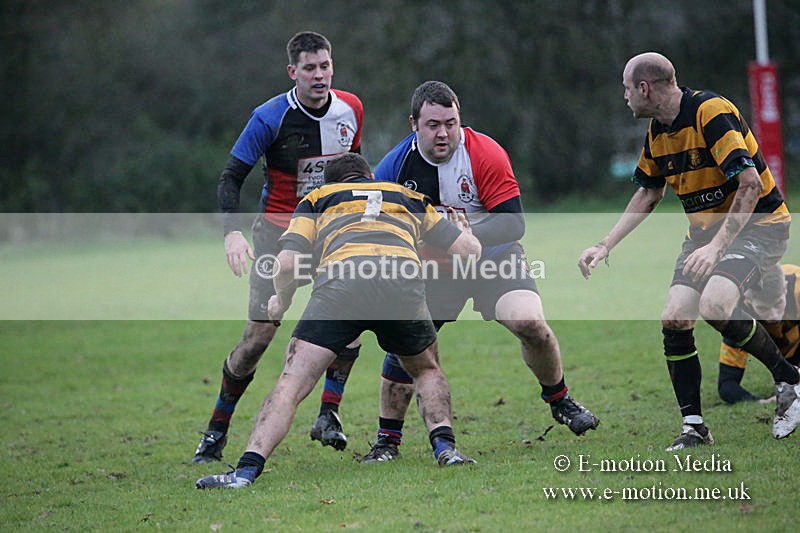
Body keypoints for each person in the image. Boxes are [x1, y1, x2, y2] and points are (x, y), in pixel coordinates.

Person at [196, 153, 482, 489]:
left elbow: (286, 264)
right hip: (400, 284)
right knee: (426, 369)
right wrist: (466, 230)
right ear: (369, 175)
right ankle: (446, 449)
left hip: (340, 285)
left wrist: (281, 301)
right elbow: (469, 251)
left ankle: (245, 472)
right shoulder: (408, 196)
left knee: (292, 382)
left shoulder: (318, 198)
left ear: (331, 183)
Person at [361, 81, 599, 464]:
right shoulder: (393, 168)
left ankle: (560, 399)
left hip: (494, 258)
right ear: (413, 124)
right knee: (406, 344)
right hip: (434, 271)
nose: (444, 133)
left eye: (451, 123)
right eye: (434, 124)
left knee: (530, 322)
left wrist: (459, 235)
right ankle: (387, 441)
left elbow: (513, 224)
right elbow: (377, 230)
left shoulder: (485, 153)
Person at [578, 52, 800, 449]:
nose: (624, 97)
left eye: (627, 89)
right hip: (704, 236)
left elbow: (749, 185)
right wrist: (604, 244)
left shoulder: (710, 113)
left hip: (760, 226)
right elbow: (649, 193)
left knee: (716, 304)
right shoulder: (658, 132)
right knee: (675, 318)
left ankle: (789, 380)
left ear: (644, 88)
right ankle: (695, 427)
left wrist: (717, 247)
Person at [193, 31, 364, 463]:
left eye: (325, 66)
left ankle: (328, 413)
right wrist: (232, 232)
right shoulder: (269, 117)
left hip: (331, 233)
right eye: (310, 68)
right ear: (293, 72)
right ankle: (216, 432)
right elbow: (231, 177)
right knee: (257, 339)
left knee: (352, 318)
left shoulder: (352, 109)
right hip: (278, 236)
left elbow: (353, 171)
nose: (320, 75)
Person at [718, 264, 800, 403]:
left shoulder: (797, 289)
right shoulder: (737, 315)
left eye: (778, 303)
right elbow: (727, 386)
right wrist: (760, 402)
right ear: (748, 300)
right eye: (763, 308)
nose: (773, 316)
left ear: (785, 288)